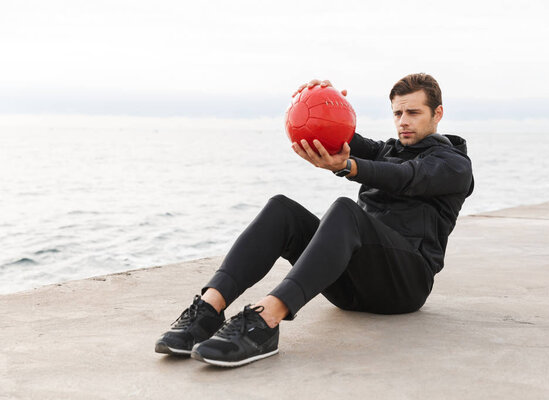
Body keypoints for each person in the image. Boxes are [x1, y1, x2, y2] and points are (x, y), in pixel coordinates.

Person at [154, 73, 474, 367]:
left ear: (438, 114)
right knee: (281, 210)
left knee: (345, 210)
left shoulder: (454, 165)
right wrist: (322, 101)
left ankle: (265, 322)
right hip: (351, 287)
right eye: (397, 113)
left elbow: (405, 177)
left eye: (413, 113)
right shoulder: (389, 150)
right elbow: (339, 136)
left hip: (404, 286)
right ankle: (207, 311)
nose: (403, 121)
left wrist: (348, 166)